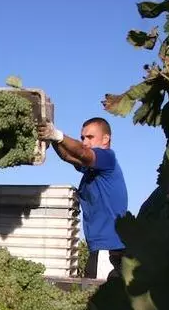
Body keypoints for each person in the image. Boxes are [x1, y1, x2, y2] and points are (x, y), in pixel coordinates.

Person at [37, 117, 128, 280]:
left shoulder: (107, 158)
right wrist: (54, 140)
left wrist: (58, 135)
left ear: (106, 139)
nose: (85, 142)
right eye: (82, 138)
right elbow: (69, 156)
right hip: (101, 248)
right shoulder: (92, 170)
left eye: (90, 137)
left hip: (108, 249)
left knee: (97, 301)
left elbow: (82, 152)